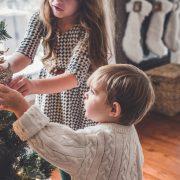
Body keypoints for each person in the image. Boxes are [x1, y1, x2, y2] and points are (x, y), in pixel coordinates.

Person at [0, 0, 112, 178]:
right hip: (50, 97)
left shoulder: (89, 28)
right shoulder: (41, 18)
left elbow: (73, 77)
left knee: (73, 152)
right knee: (52, 146)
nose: (56, 1)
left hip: (77, 99)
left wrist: (32, 86)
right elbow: (25, 54)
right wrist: (5, 68)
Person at [0, 64, 155, 180]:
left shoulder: (95, 140)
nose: (85, 94)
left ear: (114, 110)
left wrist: (21, 108)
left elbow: (51, 143)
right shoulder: (130, 131)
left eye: (93, 92)